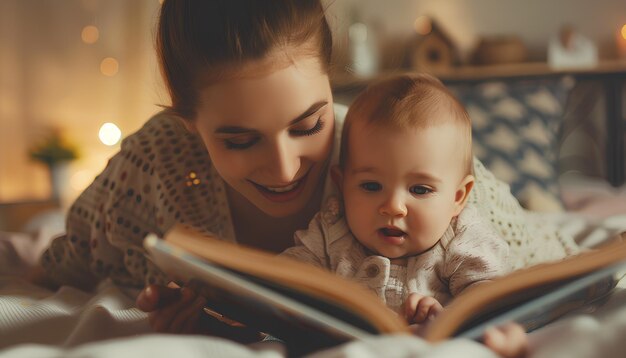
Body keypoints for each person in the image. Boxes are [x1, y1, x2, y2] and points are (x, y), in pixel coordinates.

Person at [29, 0, 570, 355]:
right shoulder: (156, 164)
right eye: (239, 141)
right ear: (189, 123)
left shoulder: (384, 149)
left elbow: (538, 252)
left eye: (309, 125)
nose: (285, 169)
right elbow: (61, 265)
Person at [281, 73, 514, 332]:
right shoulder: (331, 230)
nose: (393, 206)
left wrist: (448, 317)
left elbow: (489, 293)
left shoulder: (460, 237)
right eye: (371, 186)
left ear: (458, 197)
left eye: (420, 189)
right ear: (341, 184)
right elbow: (290, 275)